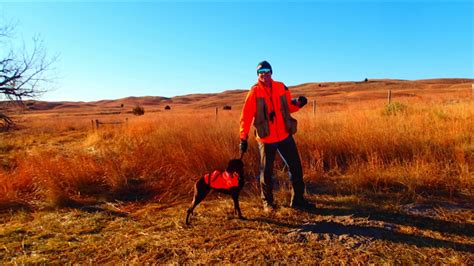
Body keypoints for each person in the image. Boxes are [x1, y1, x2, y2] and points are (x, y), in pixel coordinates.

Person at [239, 60, 315, 212]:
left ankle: (298, 200)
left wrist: (299, 104)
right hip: (266, 138)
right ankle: (268, 203)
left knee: (295, 167)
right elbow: (246, 116)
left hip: (284, 134)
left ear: (271, 72)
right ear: (258, 75)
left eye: (267, 71)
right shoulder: (254, 92)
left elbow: (288, 107)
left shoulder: (281, 87)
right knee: (266, 172)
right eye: (261, 72)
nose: (264, 74)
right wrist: (243, 137)